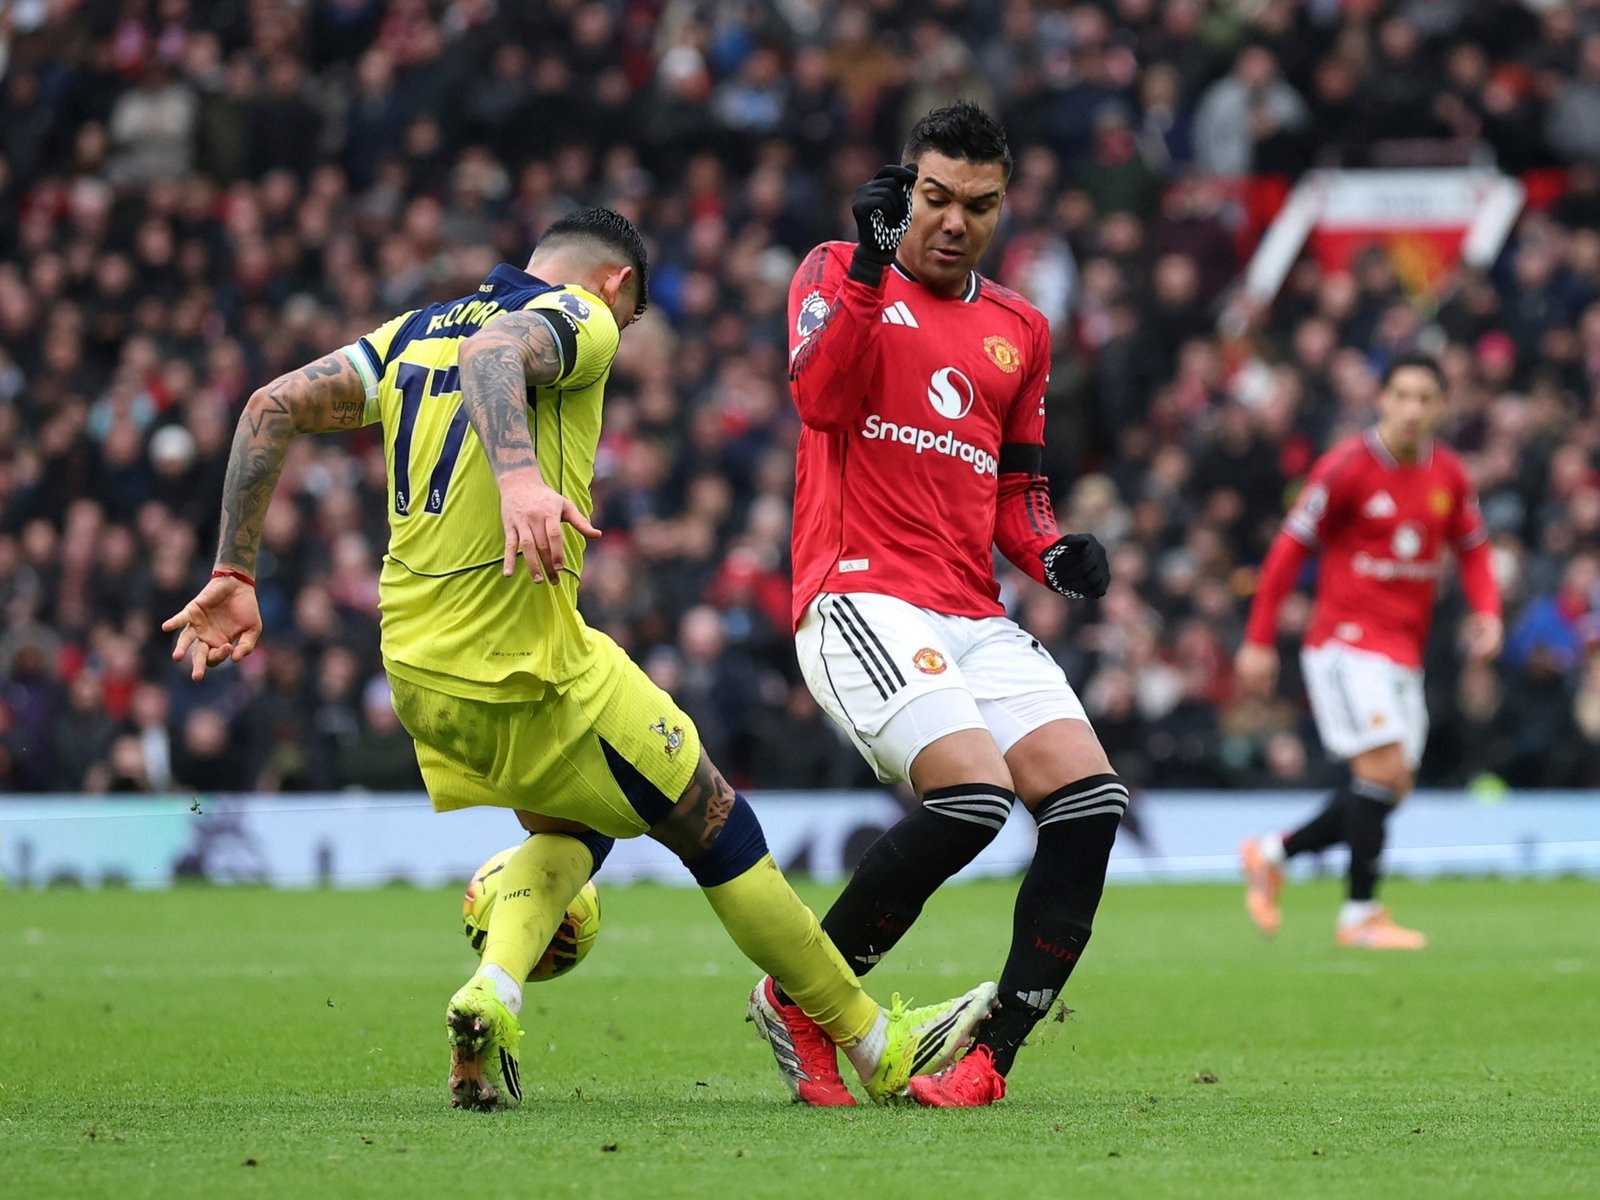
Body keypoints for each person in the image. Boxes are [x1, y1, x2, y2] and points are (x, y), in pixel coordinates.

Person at [161, 208, 995, 1111]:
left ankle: (495, 990)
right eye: (631, 320)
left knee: (575, 828)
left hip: (414, 670)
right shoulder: (582, 316)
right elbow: (495, 360)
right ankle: (875, 1041)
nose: (621, 339)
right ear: (614, 287)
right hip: (526, 666)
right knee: (714, 821)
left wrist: (233, 570)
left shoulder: (412, 332)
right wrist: (521, 480)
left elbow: (268, 405)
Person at [746, 102, 1127, 1109]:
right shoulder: (835, 270)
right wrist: (873, 268)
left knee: (1090, 805)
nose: (955, 221)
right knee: (973, 798)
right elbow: (821, 401)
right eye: (935, 198)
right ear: (905, 188)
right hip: (858, 592)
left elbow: (1014, 492)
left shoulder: (1019, 330)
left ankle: (987, 1059)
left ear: (1005, 208)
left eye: (980, 205)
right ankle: (804, 1000)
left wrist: (1052, 552)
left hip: (970, 611)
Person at [1235, 353, 1502, 949]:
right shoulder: (1346, 469)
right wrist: (1258, 639)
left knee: (1391, 786)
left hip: (1404, 650)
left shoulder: (1450, 476)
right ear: (1382, 400)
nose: (1412, 409)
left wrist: (1487, 611)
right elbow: (1286, 551)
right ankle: (1359, 914)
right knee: (1381, 771)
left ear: (1441, 407)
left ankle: (1272, 853)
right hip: (1345, 643)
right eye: (1401, 395)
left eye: (1425, 398)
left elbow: (1475, 548)